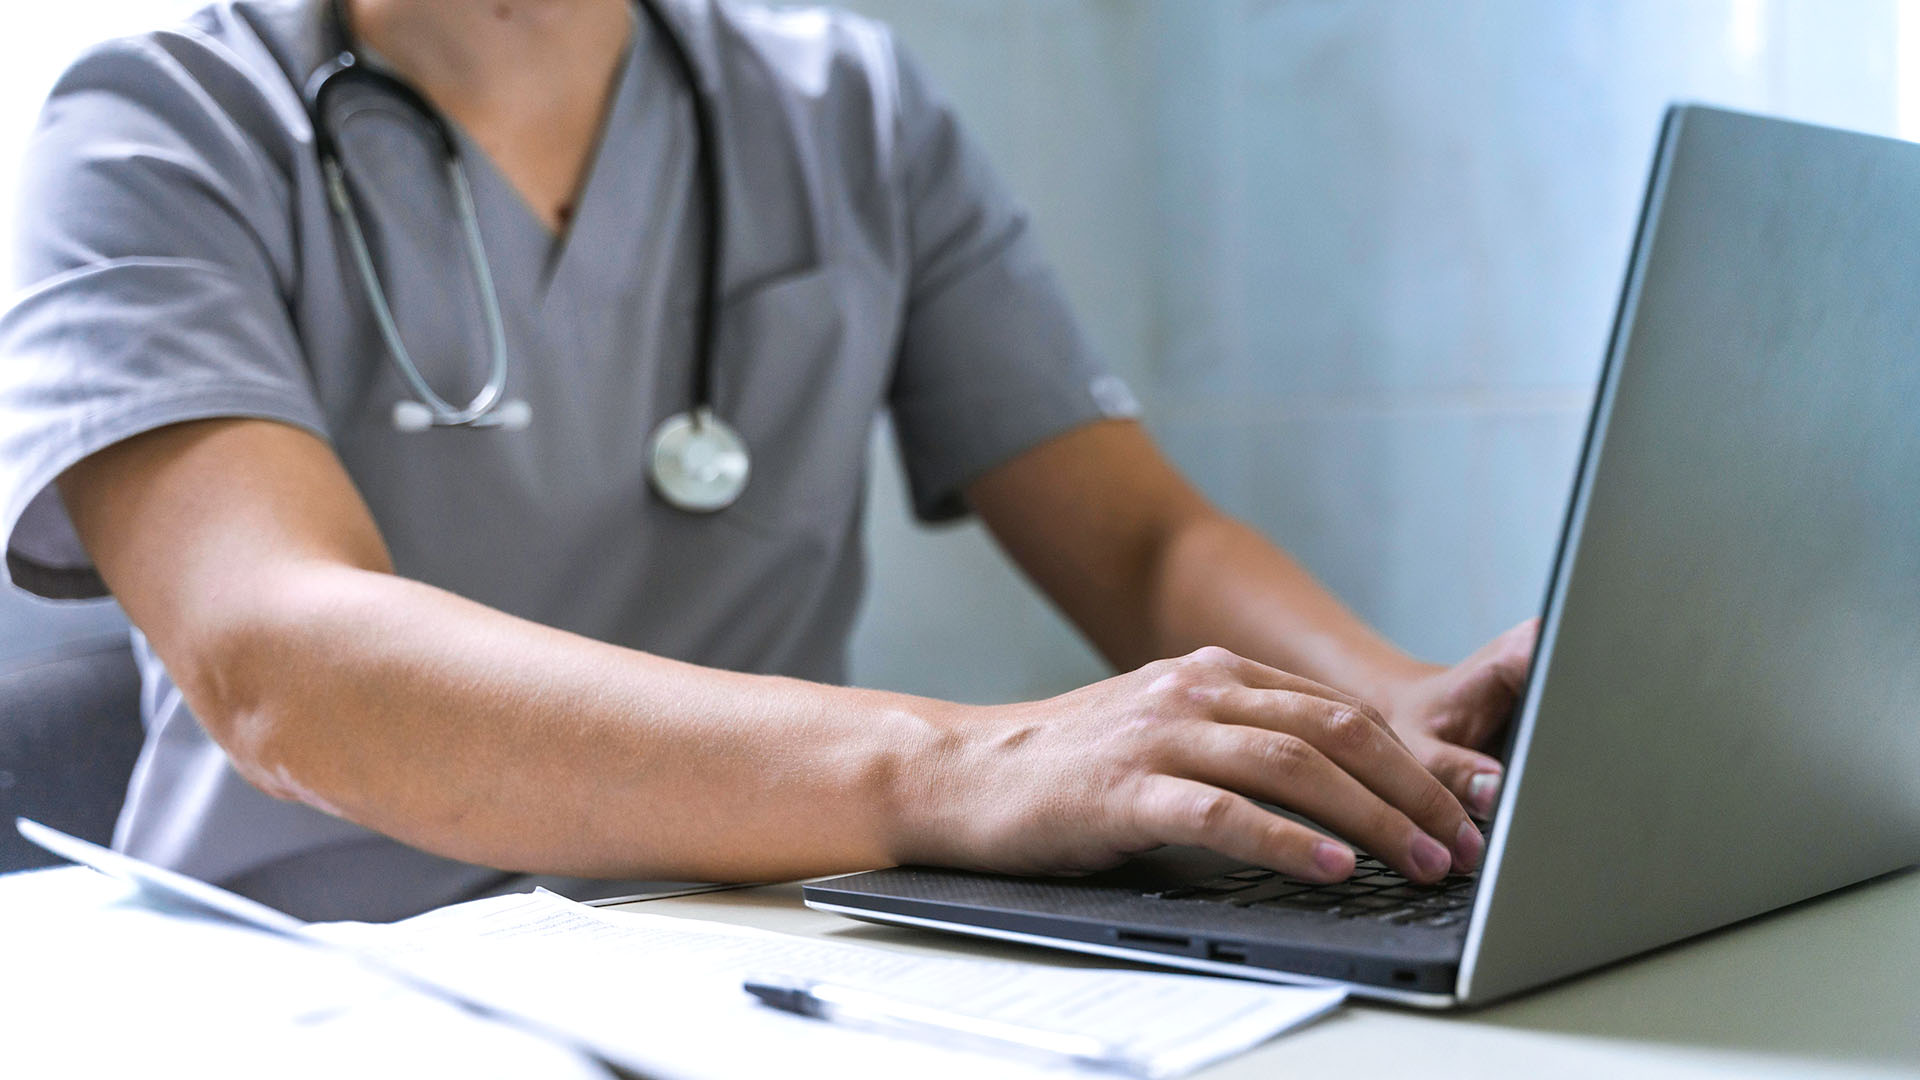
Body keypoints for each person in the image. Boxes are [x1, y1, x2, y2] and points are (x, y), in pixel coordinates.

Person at [0, 0, 1534, 922]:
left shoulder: (844, 108)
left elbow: (1134, 543)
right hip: (324, 985)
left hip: (752, 964)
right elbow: (281, 660)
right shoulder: (157, 125)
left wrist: (1390, 721)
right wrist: (954, 765)